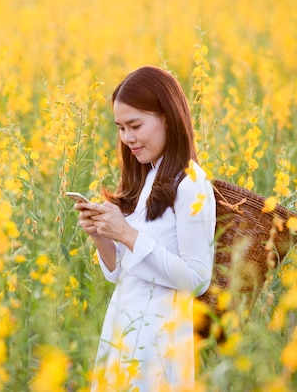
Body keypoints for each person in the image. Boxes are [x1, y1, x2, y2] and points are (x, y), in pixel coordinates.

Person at [74, 66, 216, 391]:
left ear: (167, 116)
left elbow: (197, 280)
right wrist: (101, 234)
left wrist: (125, 233)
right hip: (124, 330)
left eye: (135, 125)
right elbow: (120, 272)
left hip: (159, 341)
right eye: (121, 128)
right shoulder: (148, 177)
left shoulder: (191, 183)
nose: (127, 138)